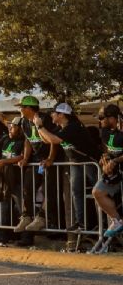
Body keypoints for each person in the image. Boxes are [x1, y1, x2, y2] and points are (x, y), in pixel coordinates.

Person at [35, 103, 101, 247]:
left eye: (54, 113)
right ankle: (81, 224)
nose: (51, 115)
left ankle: (105, 225)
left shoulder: (73, 126)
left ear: (61, 115)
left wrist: (40, 127)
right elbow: (47, 140)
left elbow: (54, 140)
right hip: (76, 163)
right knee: (76, 192)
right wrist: (39, 128)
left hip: (90, 162)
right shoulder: (61, 127)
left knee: (99, 194)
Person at [15, 96, 62, 233]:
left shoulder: (45, 119)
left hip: (51, 160)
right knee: (28, 187)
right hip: (36, 160)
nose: (20, 109)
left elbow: (54, 140)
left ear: (29, 108)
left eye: (22, 107)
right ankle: (26, 216)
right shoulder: (24, 121)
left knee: (48, 190)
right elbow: (28, 141)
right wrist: (25, 158)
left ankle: (41, 218)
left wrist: (50, 158)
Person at [92, 104, 123, 250]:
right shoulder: (104, 131)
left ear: (112, 118)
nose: (100, 120)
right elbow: (107, 149)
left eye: (102, 117)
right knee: (98, 192)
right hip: (114, 172)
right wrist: (105, 158)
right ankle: (117, 221)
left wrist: (116, 160)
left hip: (119, 167)